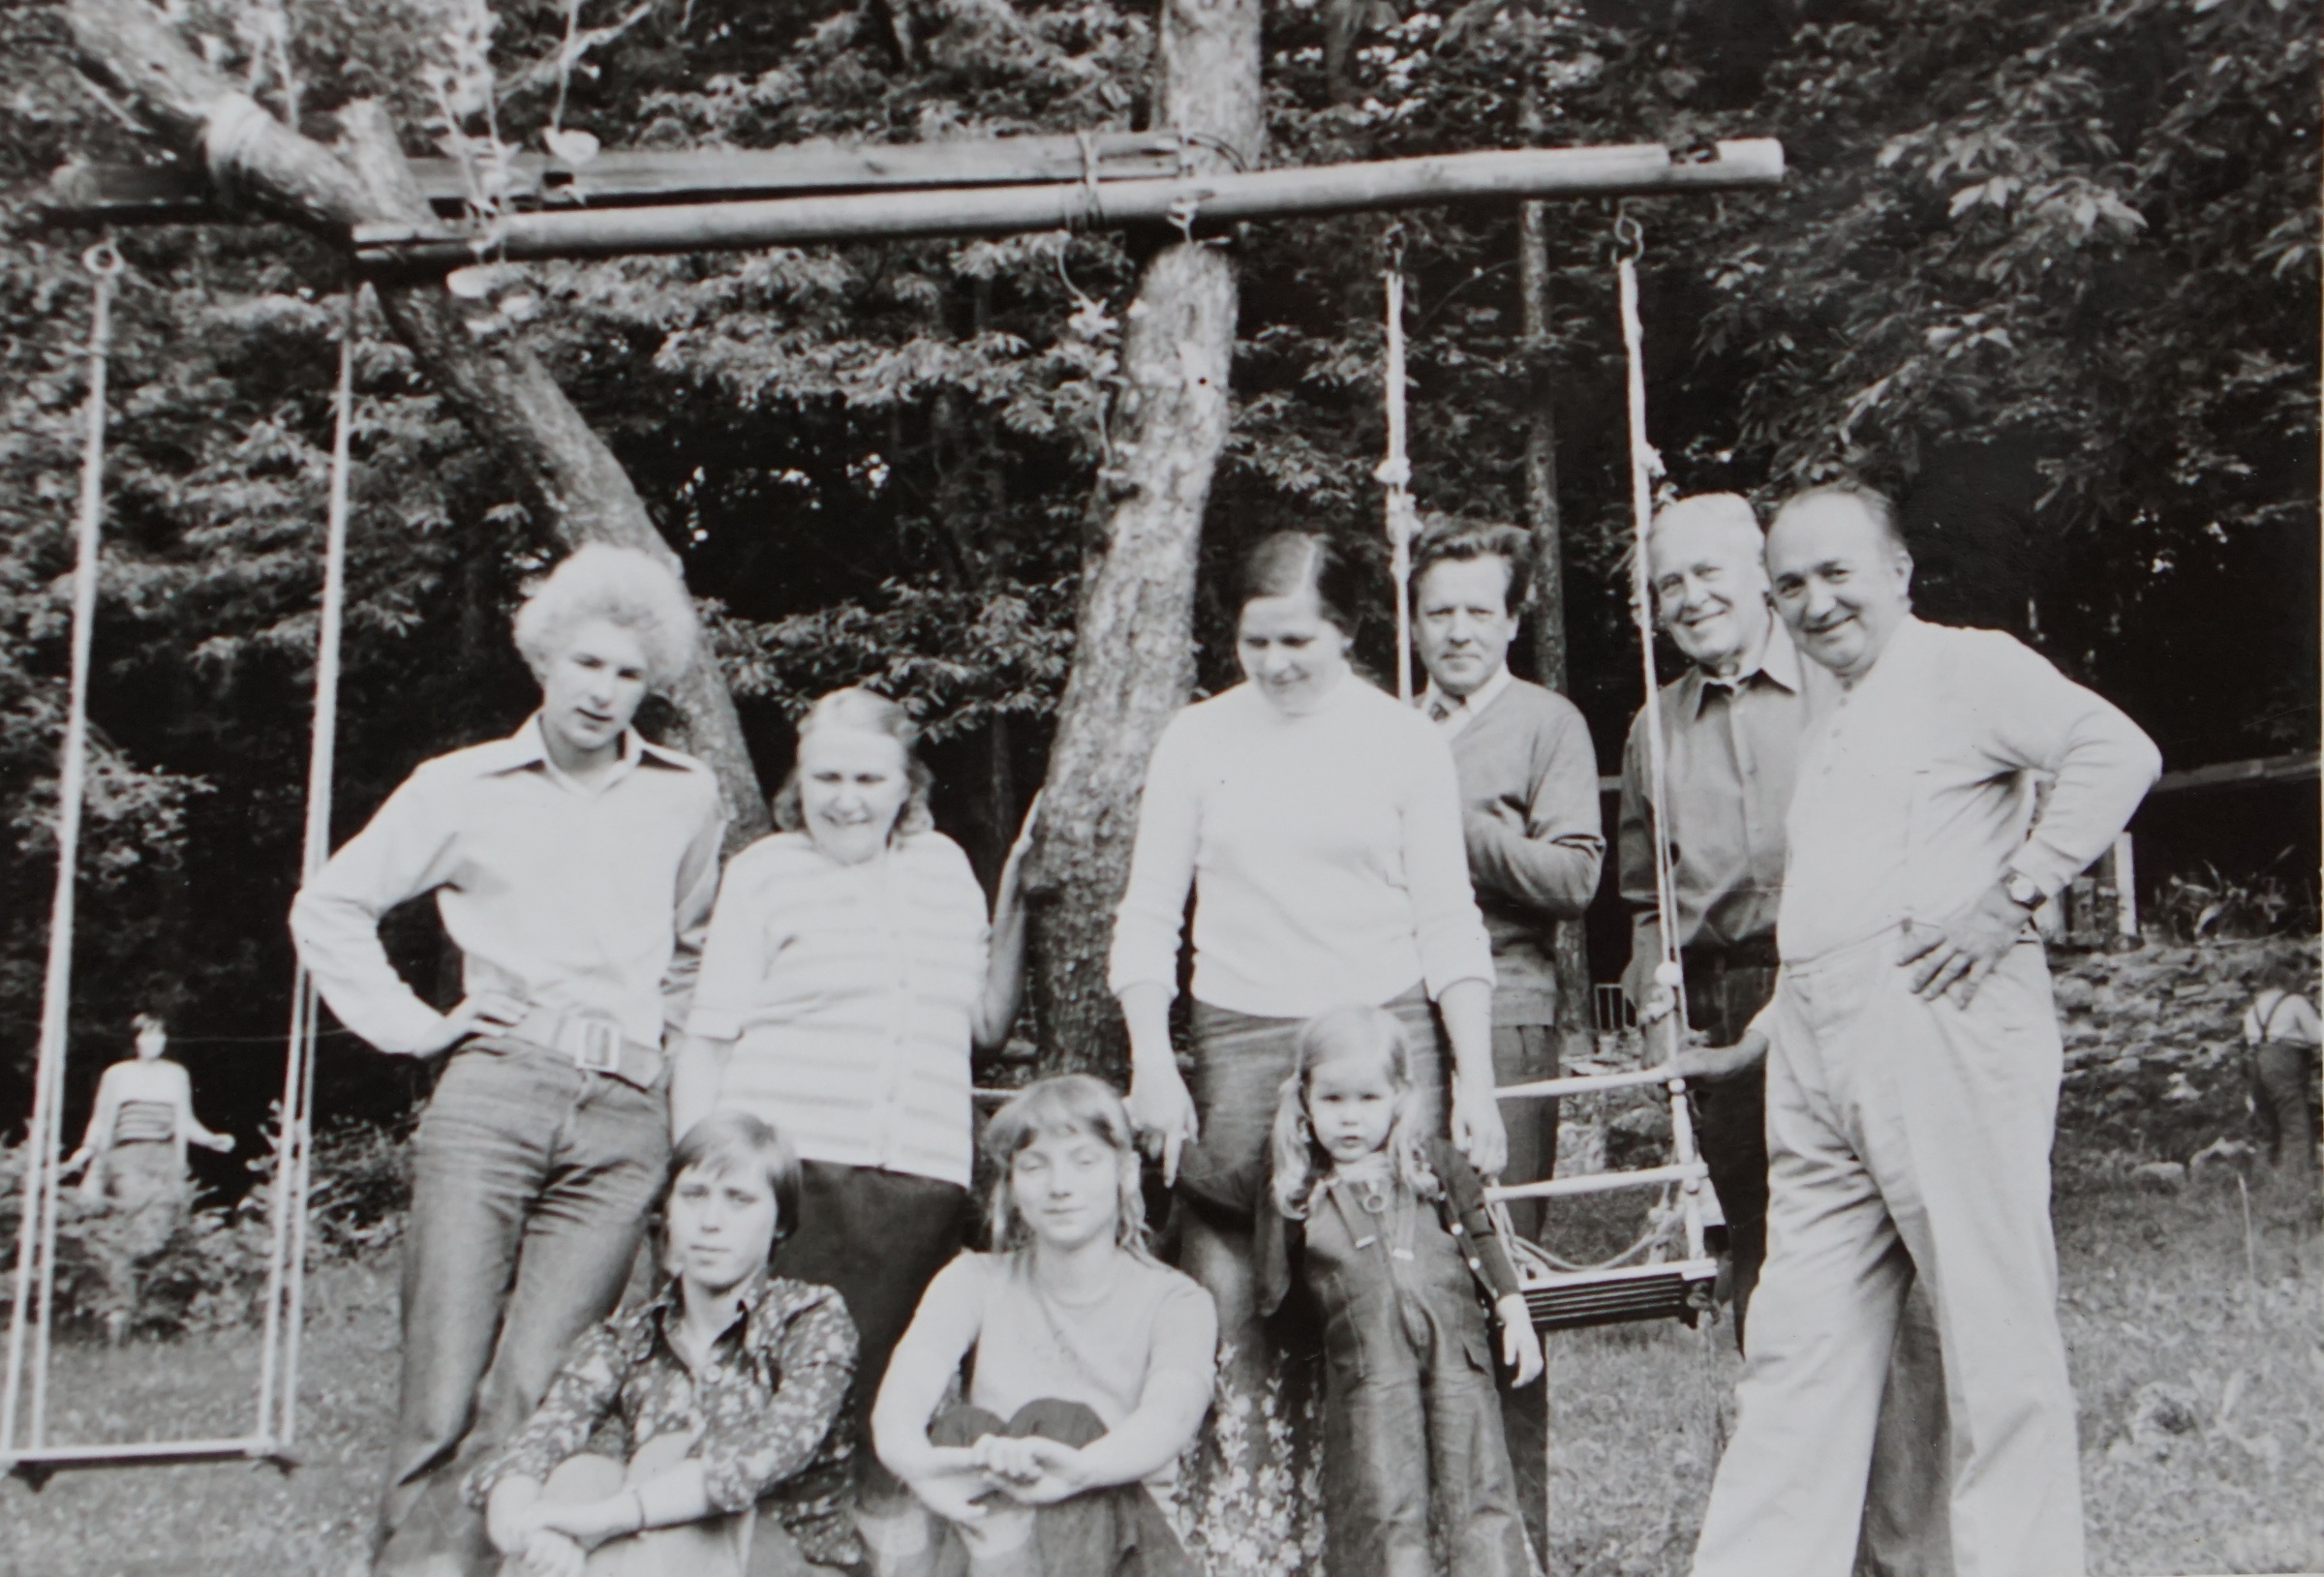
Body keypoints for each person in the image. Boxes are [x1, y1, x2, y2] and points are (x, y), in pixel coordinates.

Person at [1688, 484, 2160, 1577]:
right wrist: (1770, 1029)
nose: (1815, 603)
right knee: (1797, 1342)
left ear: (1899, 572)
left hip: (1942, 1022)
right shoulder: (1837, 710)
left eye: (1836, 573)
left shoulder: (1966, 665)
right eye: (1790, 585)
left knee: (1993, 1336)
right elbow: (1847, 897)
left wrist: (2014, 896)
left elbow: (2118, 751)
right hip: (1819, 1046)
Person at [292, 543, 728, 1577]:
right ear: (544, 658)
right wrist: (417, 1026)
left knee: (535, 1386)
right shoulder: (459, 786)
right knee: (441, 1386)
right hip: (495, 1091)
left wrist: (664, 1068)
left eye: (628, 672)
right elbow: (330, 905)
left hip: (624, 1118)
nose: (604, 690)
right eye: (587, 663)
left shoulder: (687, 795)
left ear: (650, 683)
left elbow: (694, 951)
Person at [1110, 530, 1500, 1572]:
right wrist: (1152, 1058)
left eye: (1299, 642)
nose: (1276, 664)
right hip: (1242, 1035)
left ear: (1349, 631)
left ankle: (1412, 1546)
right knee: (1231, 1291)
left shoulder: (1402, 739)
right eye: (1257, 642)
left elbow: (1448, 916)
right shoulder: (1196, 739)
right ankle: (1247, 1549)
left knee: (1396, 1294)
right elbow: (1148, 913)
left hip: (1384, 1031)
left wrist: (1475, 1079)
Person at [1625, 495, 1949, 1577]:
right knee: (1774, 1277)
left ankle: (1908, 1554)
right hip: (1725, 1007)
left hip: (1855, 977)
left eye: (1709, 573)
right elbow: (1643, 897)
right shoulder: (1652, 725)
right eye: (1669, 584)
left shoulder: (1840, 679)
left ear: (1762, 576)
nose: (1690, 599)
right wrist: (1655, 992)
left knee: (1893, 1268)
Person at [675, 687, 1033, 1564]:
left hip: (920, 1185)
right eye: (825, 777)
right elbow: (708, 1037)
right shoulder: (765, 871)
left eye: (869, 779)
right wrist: (699, 1189)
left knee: (882, 1422)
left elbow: (985, 1022)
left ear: (907, 784)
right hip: (795, 1183)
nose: (845, 799)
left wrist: (1017, 898)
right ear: (797, 782)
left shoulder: (943, 868)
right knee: (771, 1413)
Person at [1408, 518, 1601, 1558]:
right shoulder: (1389, 725)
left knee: (1503, 1278)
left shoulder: (1546, 723)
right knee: (1407, 1277)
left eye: (1479, 610)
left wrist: (1451, 820)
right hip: (1398, 1020)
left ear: (1513, 618)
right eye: (1438, 611)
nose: (1457, 630)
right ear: (1413, 621)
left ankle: (1519, 1549)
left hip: (1509, 1015)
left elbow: (1574, 875)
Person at [470, 1112, 865, 1577]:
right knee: (583, 1474)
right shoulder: (625, 1338)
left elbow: (761, 1458)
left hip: (790, 1559)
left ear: (780, 1221)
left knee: (664, 1470)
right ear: (669, 1211)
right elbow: (536, 1443)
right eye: (694, 1195)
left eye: (738, 1199)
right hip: (653, 1558)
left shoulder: (810, 1319)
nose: (710, 1221)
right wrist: (536, 1532)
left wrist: (602, 1520)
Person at [872, 1077, 1216, 1577]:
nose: (1059, 1186)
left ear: (1125, 1172)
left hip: (1125, 1549)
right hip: (996, 1545)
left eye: (1084, 1161)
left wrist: (1079, 1470)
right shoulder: (973, 1279)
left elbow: (1170, 1417)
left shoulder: (1177, 1300)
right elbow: (905, 1392)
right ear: (1012, 1183)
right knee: (960, 1432)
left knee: (1063, 1424)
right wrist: (918, 1467)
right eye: (1035, 1166)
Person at [1255, 1005, 1543, 1577]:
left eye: (1368, 1098)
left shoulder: (1432, 1165)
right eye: (1332, 1099)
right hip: (1370, 1369)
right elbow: (1214, 1192)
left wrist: (1516, 1315)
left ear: (1399, 1096)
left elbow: (1483, 1235)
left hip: (1459, 1354)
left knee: (1481, 1484)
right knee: (1388, 1501)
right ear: (1304, 1100)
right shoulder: (1302, 1187)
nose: (1350, 1117)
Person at [59, 1010, 234, 1340]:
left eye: (159, 1034)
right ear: (134, 1040)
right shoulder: (118, 1074)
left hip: (165, 1159)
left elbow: (185, 1121)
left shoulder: (176, 1075)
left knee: (163, 1231)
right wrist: (85, 1152)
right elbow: (101, 1120)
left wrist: (211, 1139)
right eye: (146, 1034)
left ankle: (155, 1313)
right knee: (136, 1230)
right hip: (128, 1157)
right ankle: (121, 1311)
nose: (154, 1041)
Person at [2240, 958, 2320, 1188]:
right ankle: (2296, 1184)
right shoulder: (2294, 1002)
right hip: (2283, 1060)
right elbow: (2317, 1036)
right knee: (2294, 1123)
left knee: (2265, 1125)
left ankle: (2263, 1184)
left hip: (2255, 1062)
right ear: (2286, 980)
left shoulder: (2253, 1009)